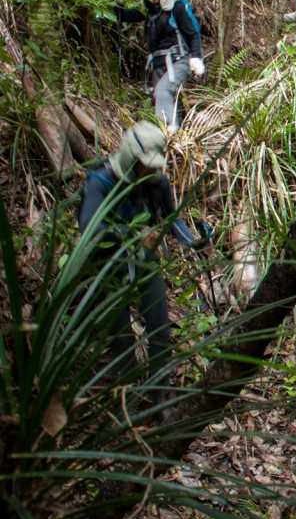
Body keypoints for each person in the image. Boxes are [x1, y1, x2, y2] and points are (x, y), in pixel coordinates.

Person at [77, 121, 208, 403]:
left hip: (144, 262)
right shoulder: (100, 182)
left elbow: (173, 220)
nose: (152, 172)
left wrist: (194, 241)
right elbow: (89, 227)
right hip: (108, 265)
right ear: (130, 158)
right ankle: (126, 399)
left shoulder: (156, 183)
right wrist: (133, 235)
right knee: (121, 336)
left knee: (159, 327)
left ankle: (159, 396)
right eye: (145, 166)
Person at [116, 0, 205, 133]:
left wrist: (196, 57)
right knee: (162, 96)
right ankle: (176, 133)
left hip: (180, 61)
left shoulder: (177, 7)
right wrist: (118, 3)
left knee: (163, 91)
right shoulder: (147, 11)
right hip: (158, 64)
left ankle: (166, 134)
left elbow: (193, 34)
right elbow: (123, 16)